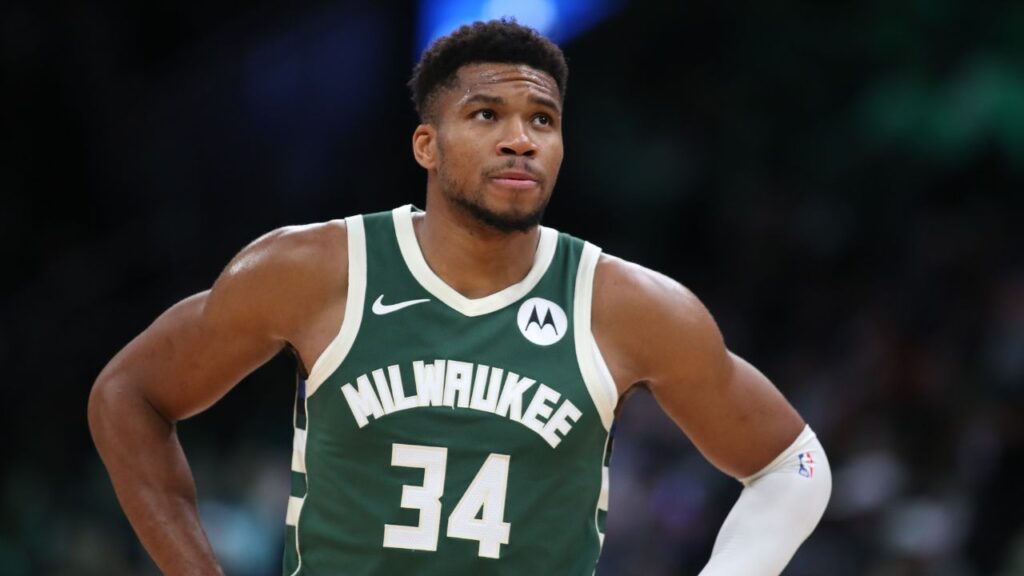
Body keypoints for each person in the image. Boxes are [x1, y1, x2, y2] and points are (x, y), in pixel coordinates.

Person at [89, 19, 831, 576]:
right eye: (487, 116)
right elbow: (128, 394)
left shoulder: (629, 306)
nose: (521, 140)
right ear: (427, 146)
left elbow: (793, 466)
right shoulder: (312, 270)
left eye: (542, 120)